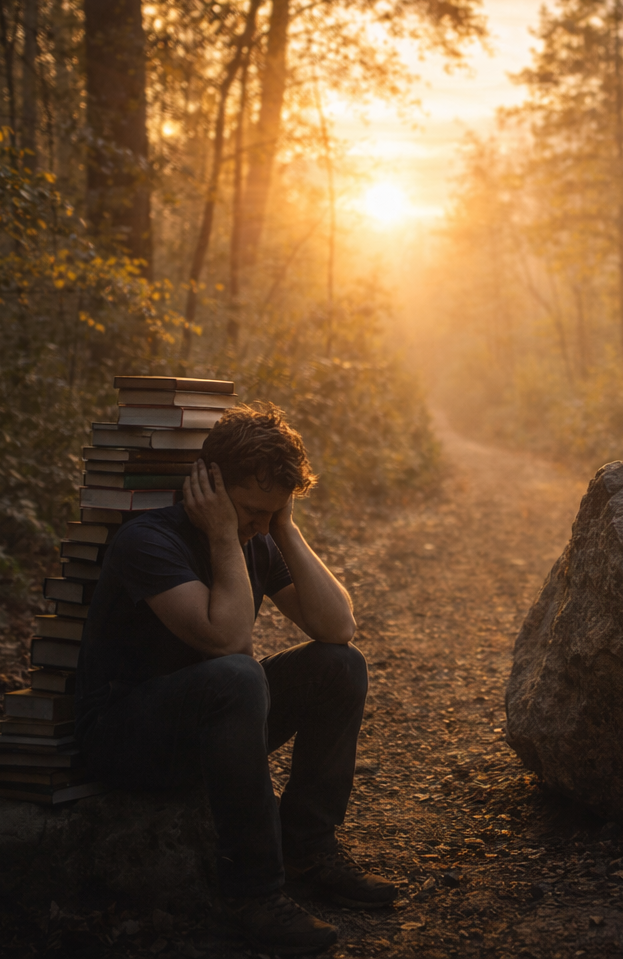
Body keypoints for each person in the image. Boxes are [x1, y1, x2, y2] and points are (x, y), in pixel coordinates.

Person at [76, 404, 395, 955]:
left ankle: (308, 849)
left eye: (271, 515)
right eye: (251, 512)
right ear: (212, 488)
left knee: (340, 665)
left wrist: (283, 529)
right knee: (238, 673)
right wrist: (226, 534)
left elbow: (337, 625)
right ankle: (252, 894)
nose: (257, 527)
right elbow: (225, 640)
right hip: (128, 737)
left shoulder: (257, 535)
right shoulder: (147, 541)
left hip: (210, 722)